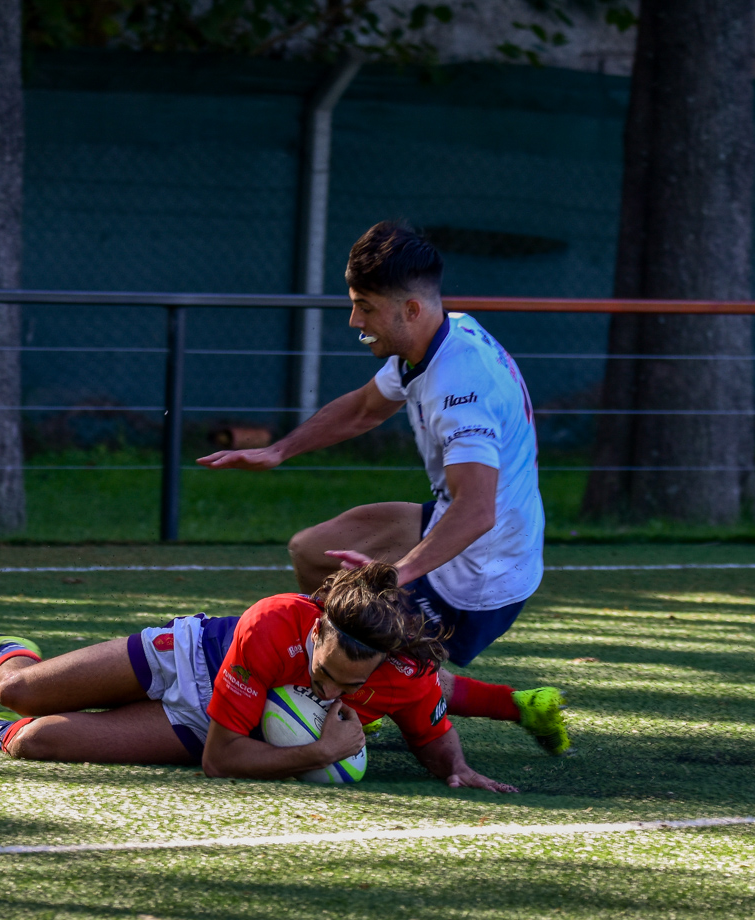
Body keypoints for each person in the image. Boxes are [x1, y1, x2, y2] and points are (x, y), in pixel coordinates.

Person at [198, 221, 569, 756]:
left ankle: (514, 704)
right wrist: (280, 450)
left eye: (365, 307)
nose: (356, 321)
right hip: (458, 518)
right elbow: (365, 408)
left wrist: (393, 575)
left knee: (376, 654)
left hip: (484, 570)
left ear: (410, 309)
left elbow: (477, 511)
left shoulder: (462, 389)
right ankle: (348, 691)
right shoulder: (434, 339)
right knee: (312, 552)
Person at [0, 562, 517, 792]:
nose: (329, 693)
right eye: (324, 674)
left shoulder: (409, 673)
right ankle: (6, 649)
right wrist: (319, 751)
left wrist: (455, 768)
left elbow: (433, 737)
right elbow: (223, 763)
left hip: (207, 721)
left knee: (34, 741)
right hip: (190, 659)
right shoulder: (274, 622)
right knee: (17, 692)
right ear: (318, 629)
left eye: (349, 688)